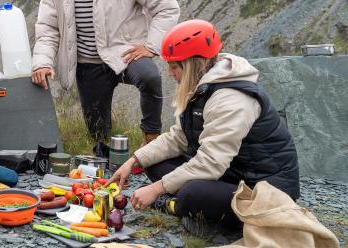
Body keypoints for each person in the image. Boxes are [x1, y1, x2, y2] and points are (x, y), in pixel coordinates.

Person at [107, 19, 300, 235]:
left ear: (194, 65)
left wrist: (156, 189)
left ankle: (179, 207)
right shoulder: (203, 87)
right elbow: (178, 138)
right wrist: (133, 161)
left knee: (192, 193)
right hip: (231, 174)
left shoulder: (231, 99)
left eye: (174, 66)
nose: (170, 73)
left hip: (263, 190)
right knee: (154, 163)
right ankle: (193, 209)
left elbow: (210, 164)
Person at [31, 0, 180, 157]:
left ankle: (151, 136)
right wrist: (42, 63)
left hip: (124, 52)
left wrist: (152, 46)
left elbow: (166, 6)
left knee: (150, 77)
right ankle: (108, 138)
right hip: (87, 64)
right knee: (98, 136)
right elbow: (48, 27)